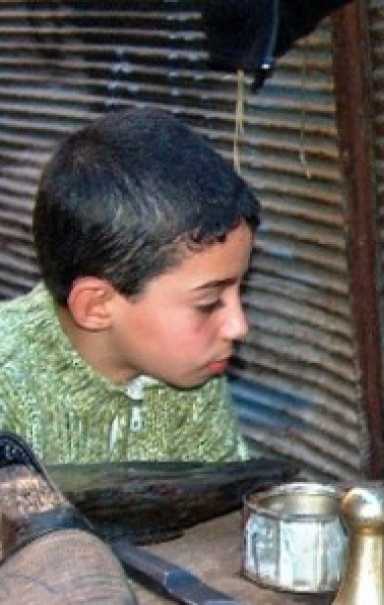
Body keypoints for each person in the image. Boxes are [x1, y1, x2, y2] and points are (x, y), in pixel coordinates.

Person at [0, 107, 259, 602]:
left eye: (239, 291)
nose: (237, 325)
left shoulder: (191, 376)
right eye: (209, 302)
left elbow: (226, 522)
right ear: (98, 306)